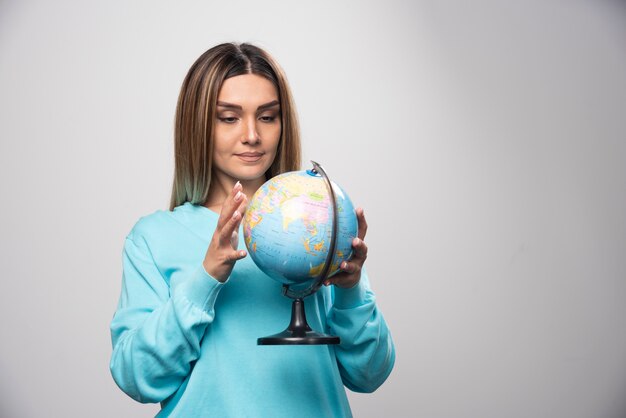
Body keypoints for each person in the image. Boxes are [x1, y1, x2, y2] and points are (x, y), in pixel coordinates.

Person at [109, 42, 395, 417]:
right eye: (228, 118)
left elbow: (370, 373)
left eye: (267, 116)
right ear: (198, 126)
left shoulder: (317, 224)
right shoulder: (154, 238)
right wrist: (206, 277)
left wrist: (350, 291)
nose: (252, 136)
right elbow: (136, 378)